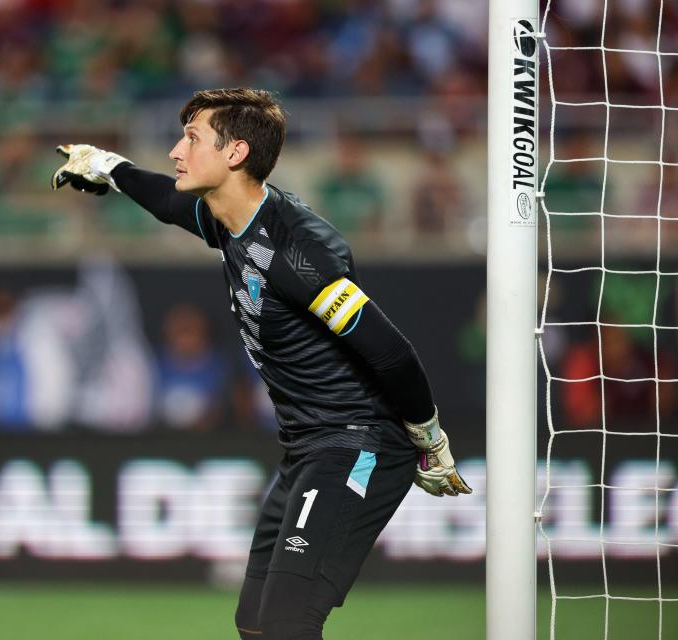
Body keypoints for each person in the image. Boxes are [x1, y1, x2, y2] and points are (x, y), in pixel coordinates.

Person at [51, 87, 470, 640]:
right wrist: (110, 167)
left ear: (235, 153)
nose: (177, 151)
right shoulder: (229, 221)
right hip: (306, 447)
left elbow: (389, 350)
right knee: (255, 624)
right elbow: (168, 202)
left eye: (192, 138)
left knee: (286, 624)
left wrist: (429, 437)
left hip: (357, 443)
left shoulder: (298, 253)